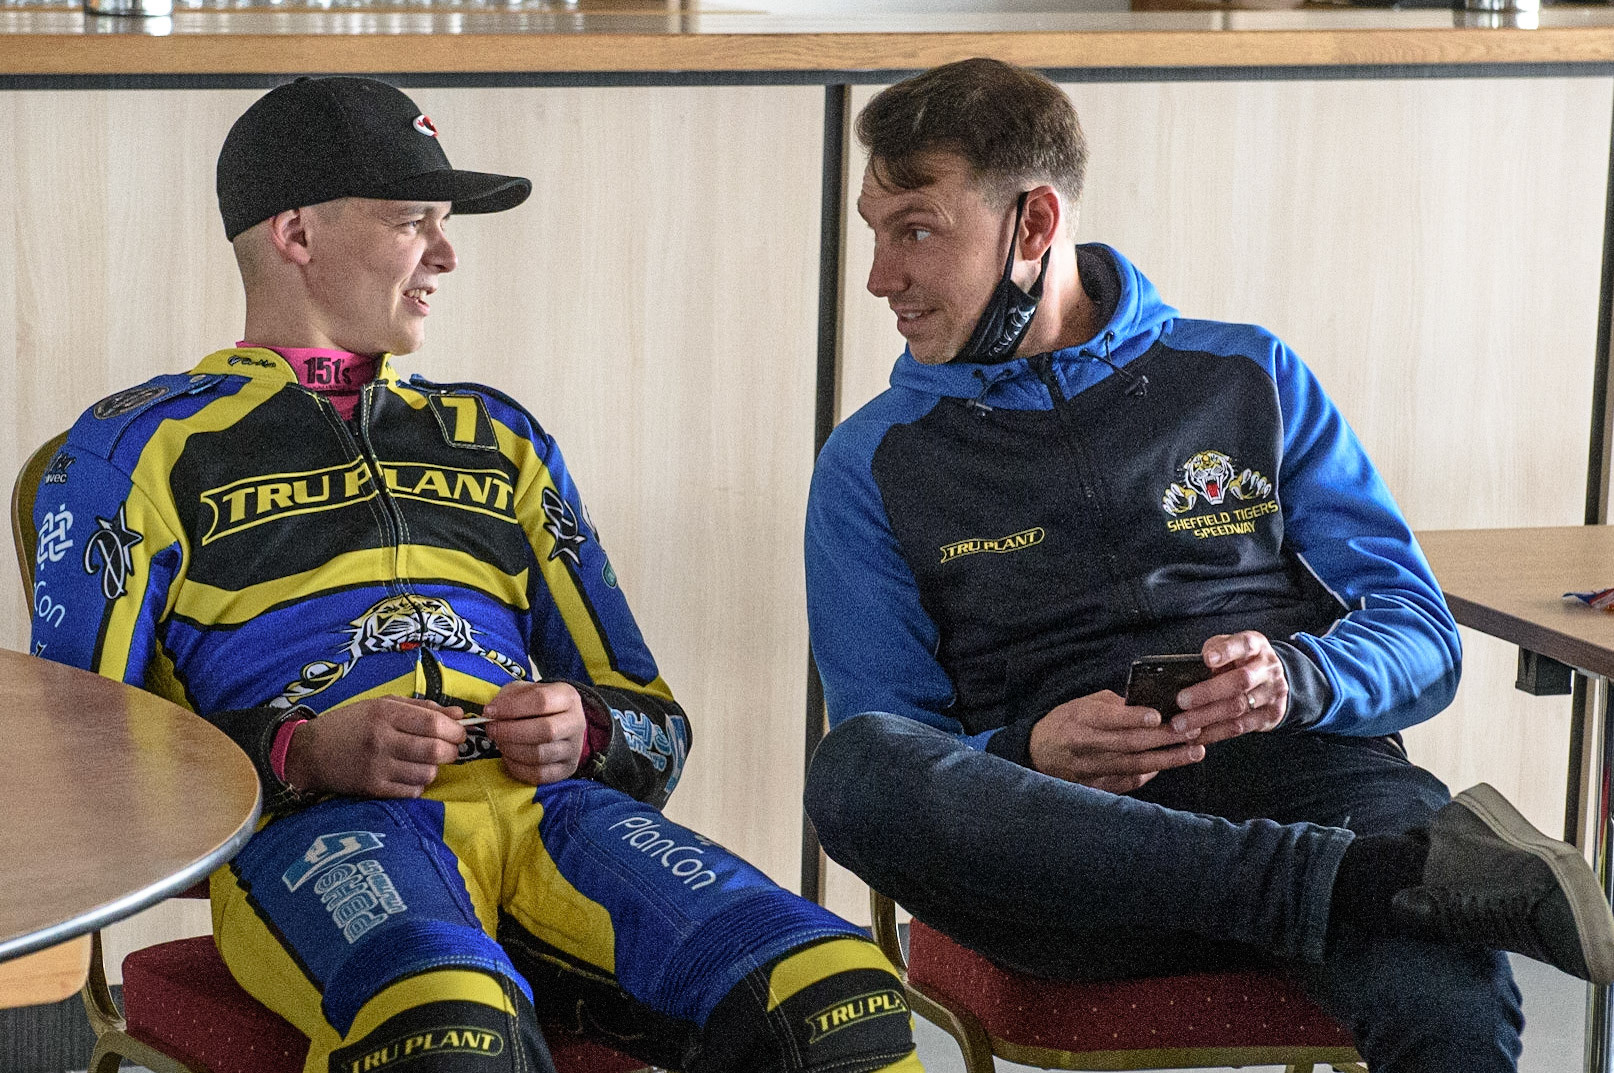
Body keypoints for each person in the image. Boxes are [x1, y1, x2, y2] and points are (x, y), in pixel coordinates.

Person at [32, 76, 920, 1073]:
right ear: (294, 234)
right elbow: (77, 771)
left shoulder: (500, 438)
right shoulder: (132, 446)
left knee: (838, 992)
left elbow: (653, 727)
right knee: (450, 1031)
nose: (447, 256)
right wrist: (303, 752)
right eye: (414, 221)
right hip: (322, 834)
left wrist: (582, 726)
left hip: (556, 821)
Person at [802, 57, 1614, 1072]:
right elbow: (898, 743)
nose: (882, 275)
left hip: (1313, 785)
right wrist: (1028, 751)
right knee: (853, 771)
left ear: (1034, 225)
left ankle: (1334, 878)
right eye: (876, 231)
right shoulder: (870, 462)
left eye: (914, 229)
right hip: (1072, 850)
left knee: (1443, 1003)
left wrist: (1297, 677)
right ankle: (1336, 883)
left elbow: (1422, 638)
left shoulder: (1248, 373)